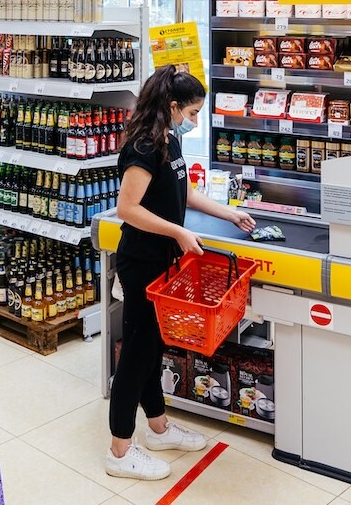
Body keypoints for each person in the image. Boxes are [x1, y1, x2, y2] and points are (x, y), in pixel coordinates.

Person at [105, 65, 256, 480]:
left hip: (163, 262)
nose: (195, 121)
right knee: (135, 355)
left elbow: (182, 191)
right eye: (192, 113)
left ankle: (158, 429)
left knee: (153, 349)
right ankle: (119, 451)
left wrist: (228, 212)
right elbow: (127, 209)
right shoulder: (142, 146)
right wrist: (178, 231)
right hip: (142, 262)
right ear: (172, 106)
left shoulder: (167, 139)